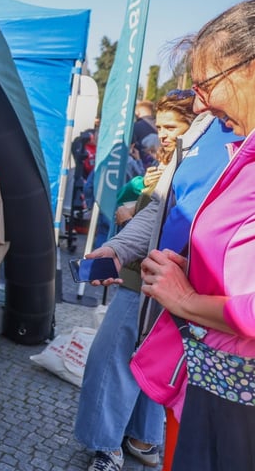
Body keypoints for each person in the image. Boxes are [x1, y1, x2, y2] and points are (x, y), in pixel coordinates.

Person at [75, 97, 238, 471]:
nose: (198, 98)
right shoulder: (201, 132)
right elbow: (161, 209)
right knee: (151, 362)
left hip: (206, 308)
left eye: (206, 83)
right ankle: (138, 440)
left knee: (115, 360)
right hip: (157, 282)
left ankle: (111, 445)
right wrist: (117, 248)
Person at [140, 1, 255, 470]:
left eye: (205, 84)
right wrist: (199, 275)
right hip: (221, 384)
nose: (200, 102)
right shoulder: (241, 149)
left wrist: (187, 300)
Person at [115, 90, 199, 227]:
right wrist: (143, 183)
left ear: (194, 126)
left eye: (170, 128)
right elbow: (123, 198)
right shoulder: (165, 158)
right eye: (159, 128)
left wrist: (128, 221)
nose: (161, 135)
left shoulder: (194, 167)